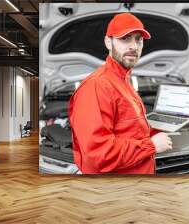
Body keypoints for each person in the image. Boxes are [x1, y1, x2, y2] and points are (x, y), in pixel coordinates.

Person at [68, 13, 172, 174]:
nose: (134, 46)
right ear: (108, 42)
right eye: (125, 39)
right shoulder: (97, 86)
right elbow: (99, 154)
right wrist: (151, 145)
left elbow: (129, 128)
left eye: (139, 39)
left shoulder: (123, 80)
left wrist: (156, 130)